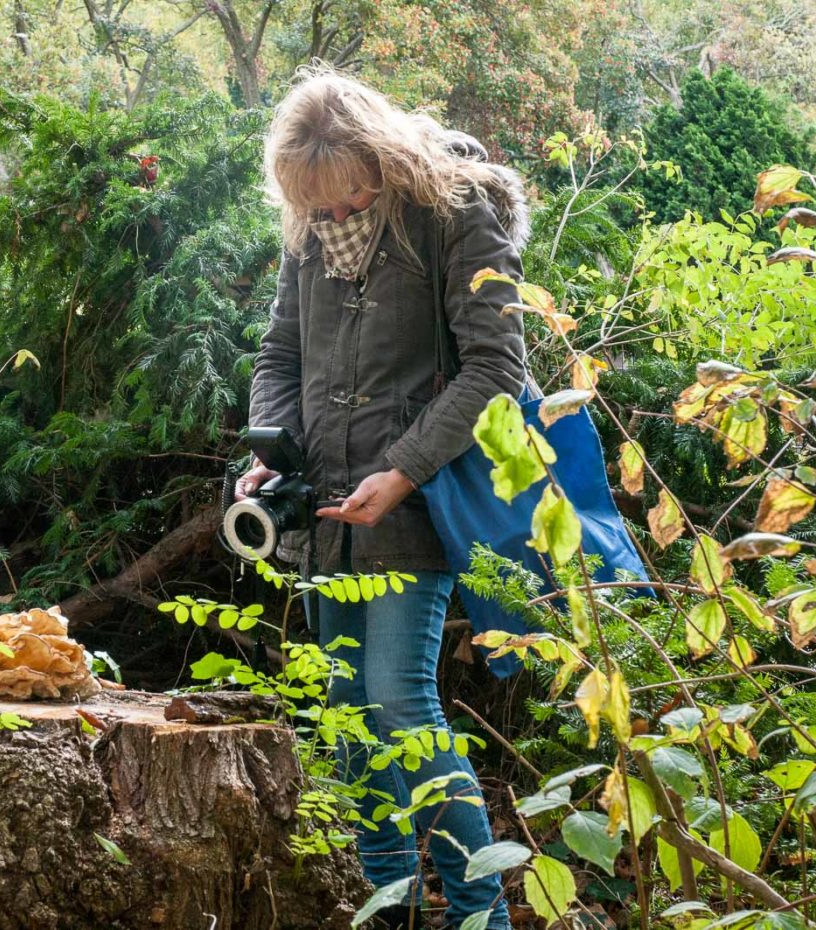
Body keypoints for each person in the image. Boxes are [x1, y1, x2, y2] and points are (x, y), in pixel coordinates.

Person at [238, 66, 533, 930]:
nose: (330, 220)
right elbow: (278, 360)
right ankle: (388, 907)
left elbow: (494, 369)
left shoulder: (453, 212)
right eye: (314, 208)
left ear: (383, 161)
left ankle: (481, 916)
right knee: (347, 711)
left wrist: (403, 469)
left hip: (417, 498)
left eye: (344, 201)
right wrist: (268, 454)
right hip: (327, 511)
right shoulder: (309, 231)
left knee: (399, 698)